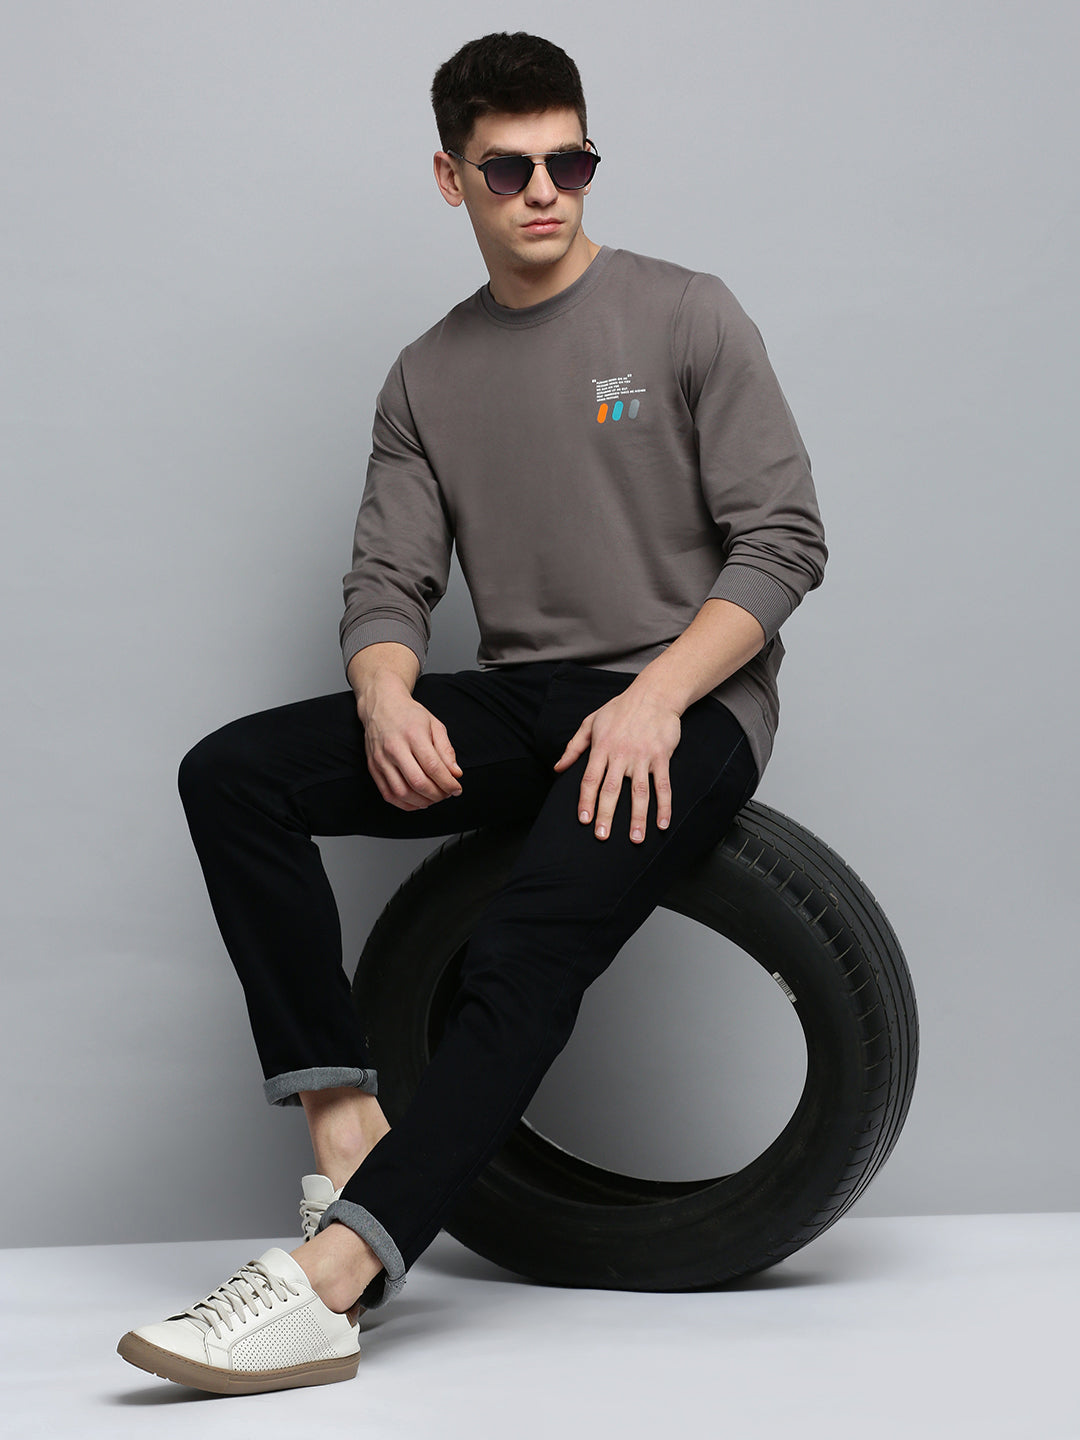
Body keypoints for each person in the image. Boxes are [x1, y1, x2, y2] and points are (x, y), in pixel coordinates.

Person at [117, 31, 827, 1395]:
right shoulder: (426, 374)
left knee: (514, 950)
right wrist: (385, 689)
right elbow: (388, 579)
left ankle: (331, 1285)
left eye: (571, 161)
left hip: (691, 701)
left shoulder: (687, 315)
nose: (545, 191)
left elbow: (784, 542)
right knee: (234, 776)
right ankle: (343, 1127)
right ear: (453, 179)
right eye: (510, 169)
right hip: (524, 699)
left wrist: (658, 699)